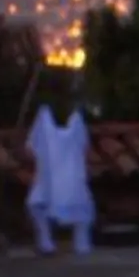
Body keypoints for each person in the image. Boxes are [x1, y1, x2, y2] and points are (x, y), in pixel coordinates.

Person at [26, 103, 95, 255]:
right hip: (71, 175)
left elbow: (31, 148)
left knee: (36, 204)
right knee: (82, 207)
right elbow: (85, 146)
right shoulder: (72, 121)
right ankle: (79, 244)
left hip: (50, 176)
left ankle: (47, 242)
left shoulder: (46, 120)